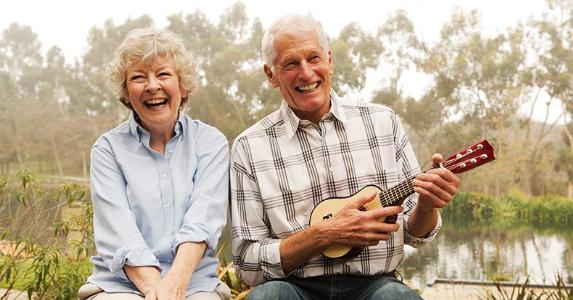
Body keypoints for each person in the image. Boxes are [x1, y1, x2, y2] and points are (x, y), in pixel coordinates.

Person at [229, 14, 460, 300]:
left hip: (375, 285)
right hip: (293, 288)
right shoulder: (249, 147)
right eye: (291, 63)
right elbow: (246, 263)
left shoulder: (383, 122)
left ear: (329, 61)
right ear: (271, 74)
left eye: (314, 58)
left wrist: (427, 204)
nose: (306, 73)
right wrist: (323, 235)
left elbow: (416, 234)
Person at [77, 27, 231, 300]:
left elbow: (202, 222)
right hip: (120, 286)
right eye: (138, 77)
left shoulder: (211, 142)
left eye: (163, 74)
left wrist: (173, 287)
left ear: (182, 85)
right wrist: (157, 292)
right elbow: (119, 233)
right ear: (126, 92)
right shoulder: (107, 150)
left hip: (194, 284)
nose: (152, 86)